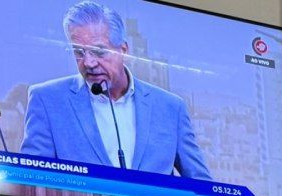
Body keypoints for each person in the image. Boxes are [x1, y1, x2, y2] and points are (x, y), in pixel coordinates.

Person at [22, 2, 211, 179]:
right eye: (79, 52)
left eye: (98, 51)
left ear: (123, 50)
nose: (88, 62)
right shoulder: (47, 100)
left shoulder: (170, 108)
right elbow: (32, 179)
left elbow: (203, 185)